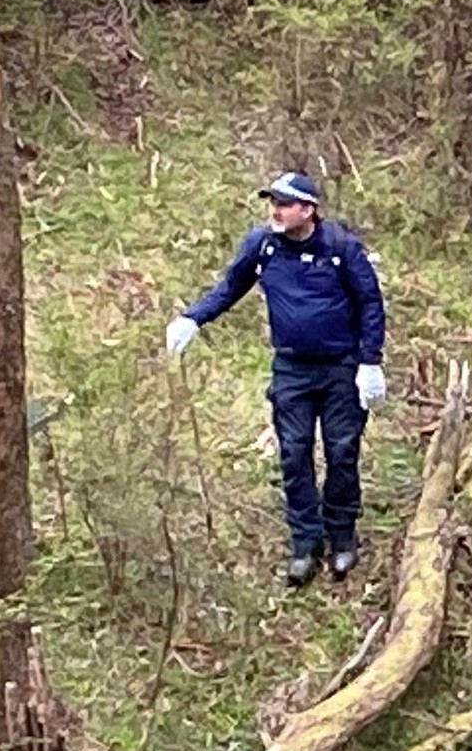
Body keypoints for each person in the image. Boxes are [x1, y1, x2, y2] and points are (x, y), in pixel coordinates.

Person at [165, 170, 387, 586]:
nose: (276, 211)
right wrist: (193, 319)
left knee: (342, 450)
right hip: (291, 368)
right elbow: (231, 287)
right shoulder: (263, 245)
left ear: (308, 209)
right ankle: (305, 543)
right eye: (273, 203)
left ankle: (342, 536)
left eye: (284, 204)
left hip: (341, 366)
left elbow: (370, 303)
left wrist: (369, 362)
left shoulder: (340, 247)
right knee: (294, 453)